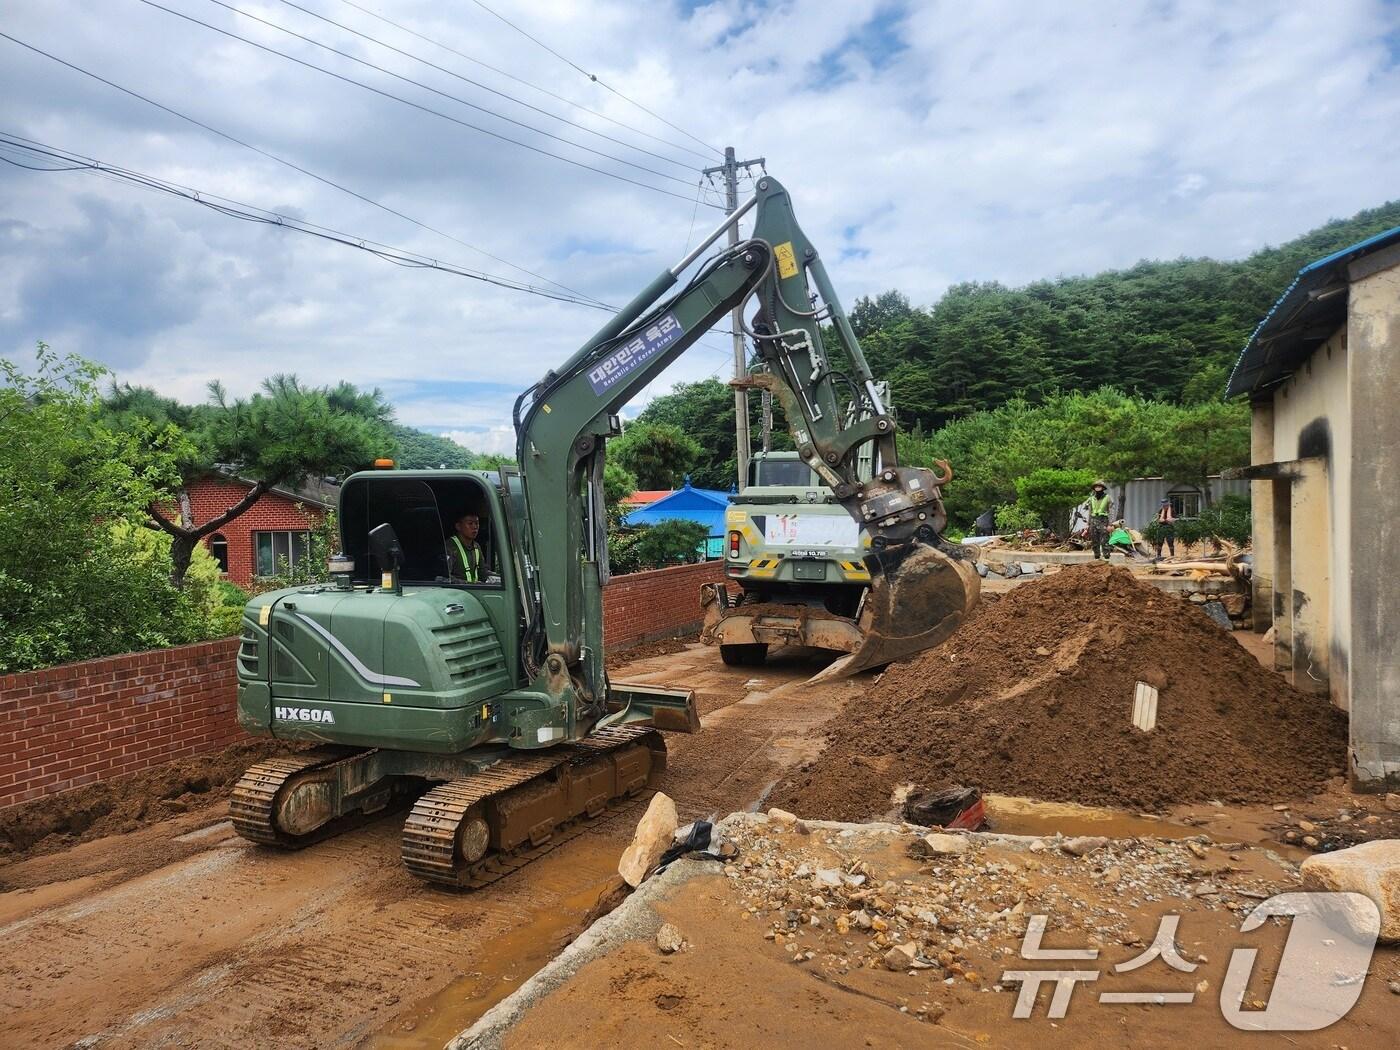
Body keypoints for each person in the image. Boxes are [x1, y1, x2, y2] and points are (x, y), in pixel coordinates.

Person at [448, 511, 491, 583]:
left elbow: (483, 573)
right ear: (458, 526)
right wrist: (468, 584)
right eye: (470, 523)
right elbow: (444, 577)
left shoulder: (476, 546)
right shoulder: (450, 547)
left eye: (477, 523)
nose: (475, 527)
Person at [1087, 480, 1113, 561]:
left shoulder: (1108, 498)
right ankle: (1097, 557)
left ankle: (1106, 558)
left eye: (1099, 486)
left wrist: (1110, 524)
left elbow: (1111, 511)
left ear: (1102, 488)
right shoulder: (1091, 499)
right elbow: (1090, 511)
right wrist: (1088, 523)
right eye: (1096, 486)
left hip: (1103, 520)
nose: (1097, 488)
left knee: (1104, 540)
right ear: (1094, 488)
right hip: (1093, 520)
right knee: (1094, 541)